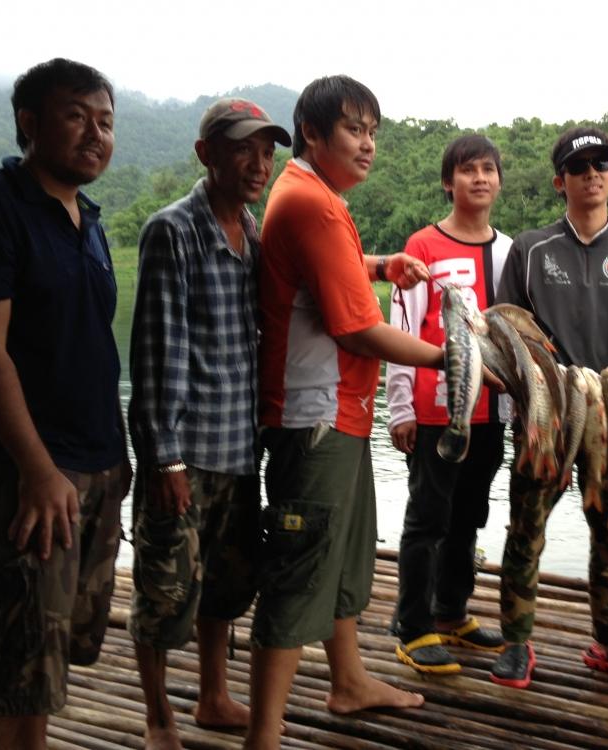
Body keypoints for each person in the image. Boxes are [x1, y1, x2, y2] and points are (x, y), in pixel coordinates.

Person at [0, 58, 129, 750]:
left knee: (46, 660)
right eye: (77, 115)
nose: (96, 133)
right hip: (30, 472)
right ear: (29, 123)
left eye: (105, 120)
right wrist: (37, 470)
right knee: (9, 658)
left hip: (95, 464)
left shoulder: (87, 218)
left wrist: (116, 468)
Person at [247, 75, 451, 750]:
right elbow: (356, 332)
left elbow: (322, 272)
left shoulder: (311, 195)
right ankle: (264, 737)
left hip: (343, 412)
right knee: (301, 568)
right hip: (318, 416)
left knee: (343, 556)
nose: (367, 145)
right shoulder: (313, 204)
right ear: (312, 133)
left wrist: (378, 263)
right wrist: (446, 360)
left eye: (372, 133)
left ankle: (349, 682)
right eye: (353, 130)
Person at [125, 98, 291, 749]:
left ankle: (214, 696)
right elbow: (155, 355)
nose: (257, 163)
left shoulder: (254, 233)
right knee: (165, 593)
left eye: (267, 151)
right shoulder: (174, 230)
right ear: (207, 154)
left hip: (239, 452)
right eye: (243, 148)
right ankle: (159, 716)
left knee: (226, 586)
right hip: (186, 456)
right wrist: (163, 459)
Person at [491, 127, 608, 691]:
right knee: (526, 529)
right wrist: (540, 388)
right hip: (546, 414)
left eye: (603, 164)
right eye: (581, 165)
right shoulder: (531, 248)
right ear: (559, 180)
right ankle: (517, 642)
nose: (593, 173)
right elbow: (509, 332)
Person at [386, 134, 511, 673]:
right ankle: (412, 628)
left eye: (488, 169)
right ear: (448, 181)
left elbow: (514, 336)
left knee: (469, 518)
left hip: (489, 414)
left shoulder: (510, 251)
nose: (479, 178)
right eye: (467, 170)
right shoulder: (422, 247)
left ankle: (452, 612)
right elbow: (402, 327)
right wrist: (399, 409)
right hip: (434, 411)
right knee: (427, 519)